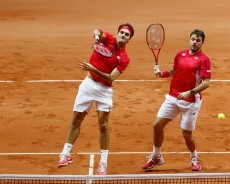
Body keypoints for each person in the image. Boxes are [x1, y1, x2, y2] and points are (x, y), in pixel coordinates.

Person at [58, 23, 134, 175]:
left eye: (126, 35)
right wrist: (97, 35)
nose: (123, 35)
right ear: (117, 34)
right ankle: (65, 154)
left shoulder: (124, 58)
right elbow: (97, 30)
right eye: (122, 33)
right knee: (76, 119)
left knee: (104, 125)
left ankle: (103, 163)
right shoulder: (108, 40)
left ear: (129, 40)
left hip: (104, 90)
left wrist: (93, 68)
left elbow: (111, 77)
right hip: (88, 85)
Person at [142, 29, 211, 172]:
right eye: (192, 39)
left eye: (198, 40)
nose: (194, 42)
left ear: (202, 43)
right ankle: (156, 156)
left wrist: (189, 92)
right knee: (157, 125)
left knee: (186, 134)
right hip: (173, 97)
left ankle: (194, 157)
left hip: (191, 101)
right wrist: (163, 74)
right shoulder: (180, 54)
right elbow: (175, 70)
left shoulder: (204, 60)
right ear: (189, 39)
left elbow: (206, 83)